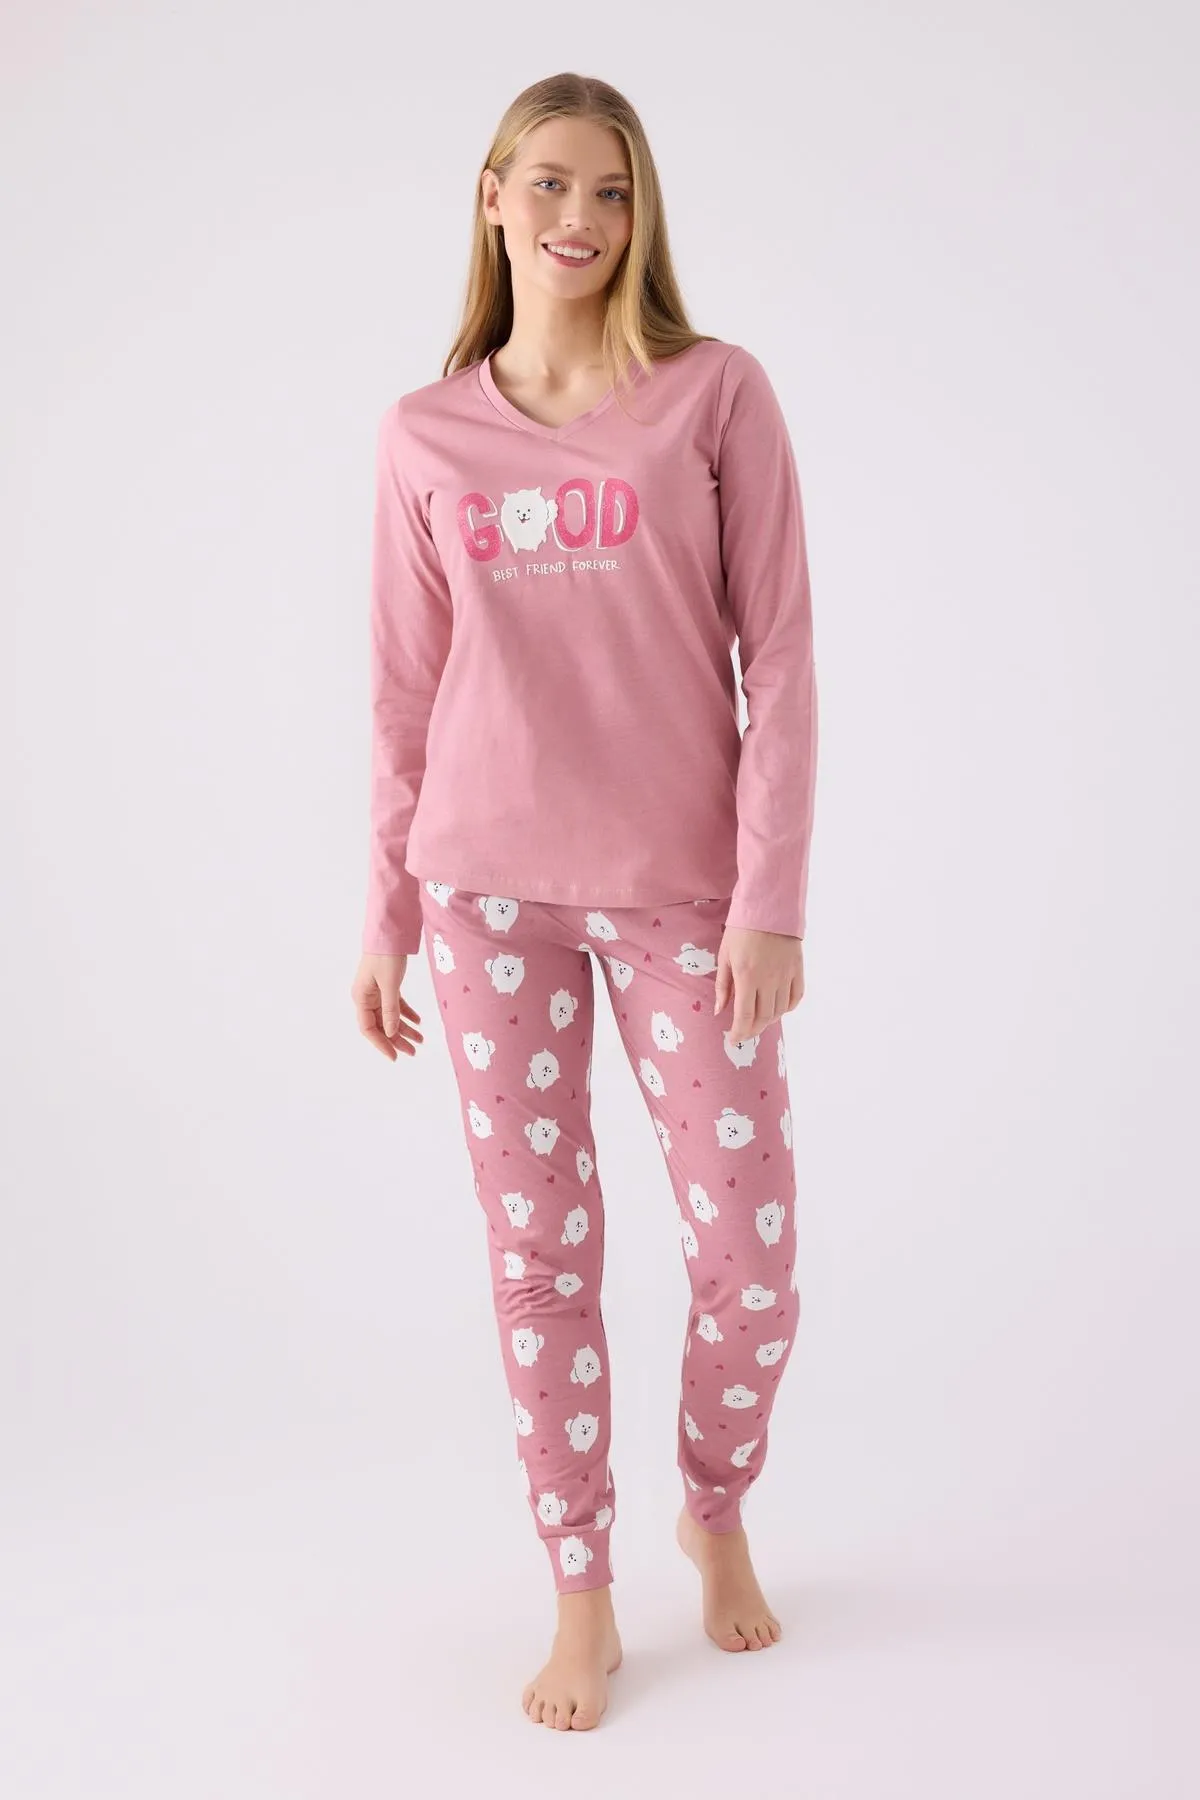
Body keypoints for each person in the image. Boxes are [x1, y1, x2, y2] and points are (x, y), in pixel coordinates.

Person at [349, 72, 818, 1732]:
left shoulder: (715, 395)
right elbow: (404, 691)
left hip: (686, 898)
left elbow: (784, 657)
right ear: (492, 201)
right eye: (547, 184)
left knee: (747, 1260)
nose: (579, 217)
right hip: (485, 897)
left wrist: (770, 897)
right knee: (540, 1259)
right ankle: (583, 1591)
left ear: (640, 215)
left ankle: (714, 1504)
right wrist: (387, 911)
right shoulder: (425, 433)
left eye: (610, 191)